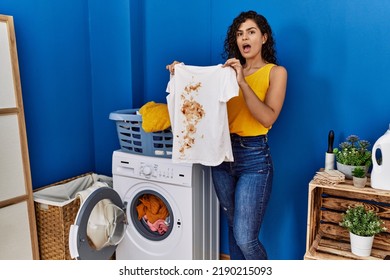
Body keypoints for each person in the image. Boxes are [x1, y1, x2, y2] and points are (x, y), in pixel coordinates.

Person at [166, 10, 287, 260]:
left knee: (245, 236)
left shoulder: (276, 73)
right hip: (220, 154)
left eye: (251, 32)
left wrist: (242, 81)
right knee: (233, 227)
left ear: (264, 38)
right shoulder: (225, 74)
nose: (245, 37)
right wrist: (179, 75)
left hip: (254, 158)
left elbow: (267, 117)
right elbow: (200, 101)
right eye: (240, 33)